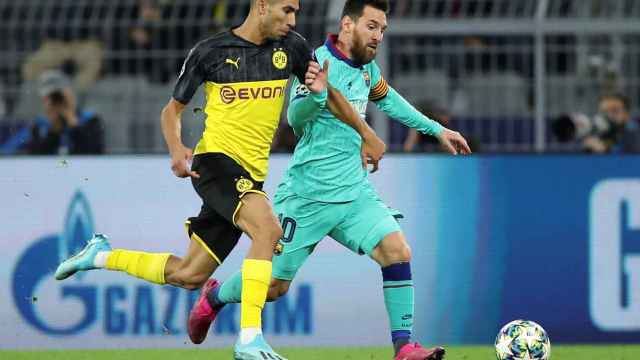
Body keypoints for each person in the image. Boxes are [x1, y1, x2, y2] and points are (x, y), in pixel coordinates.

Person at [54, 1, 385, 360]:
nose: (293, 20)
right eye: (287, 10)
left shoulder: (292, 47)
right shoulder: (211, 52)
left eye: (296, 12)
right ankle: (249, 339)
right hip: (215, 164)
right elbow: (172, 110)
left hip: (250, 176)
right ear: (262, 5)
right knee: (267, 231)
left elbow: (329, 93)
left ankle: (100, 256)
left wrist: (366, 133)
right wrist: (177, 146)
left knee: (188, 274)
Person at [188, 1, 470, 360]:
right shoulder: (316, 62)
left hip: (354, 194)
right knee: (273, 286)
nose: (378, 36)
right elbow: (295, 116)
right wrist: (320, 96)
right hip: (307, 196)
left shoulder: (366, 70)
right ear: (347, 24)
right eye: (372, 27)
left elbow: (389, 99)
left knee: (397, 251)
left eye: (382, 29)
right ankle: (213, 298)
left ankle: (404, 348)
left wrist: (435, 129)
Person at [0, 70, 104, 155]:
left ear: (70, 94)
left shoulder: (91, 120)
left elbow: (93, 152)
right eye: (52, 97)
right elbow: (35, 158)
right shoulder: (39, 125)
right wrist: (54, 128)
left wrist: (72, 121)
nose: (57, 100)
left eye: (59, 96)